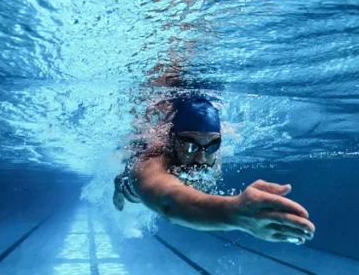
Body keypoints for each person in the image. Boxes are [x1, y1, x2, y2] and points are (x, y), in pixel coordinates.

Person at [113, 93, 315, 244]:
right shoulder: (152, 162)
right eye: (190, 146)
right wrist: (231, 213)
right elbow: (168, 202)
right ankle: (119, 186)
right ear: (172, 140)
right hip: (134, 188)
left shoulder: (212, 154)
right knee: (131, 188)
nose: (201, 157)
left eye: (212, 146)